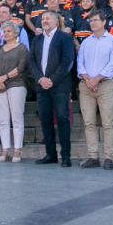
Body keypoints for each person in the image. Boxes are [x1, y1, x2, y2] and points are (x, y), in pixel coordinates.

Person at [30, 9, 75, 166]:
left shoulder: (64, 38)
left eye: (48, 18)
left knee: (62, 119)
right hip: (41, 86)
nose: (45, 21)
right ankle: (51, 154)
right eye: (43, 19)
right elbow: (32, 62)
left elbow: (67, 61)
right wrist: (41, 79)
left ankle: (66, 156)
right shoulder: (37, 40)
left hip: (60, 86)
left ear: (56, 21)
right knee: (45, 120)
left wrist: (52, 80)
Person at [76, 9, 113, 169]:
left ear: (104, 22)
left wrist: (97, 79)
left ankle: (109, 157)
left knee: (107, 122)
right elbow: (80, 63)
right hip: (86, 86)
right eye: (91, 20)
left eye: (95, 20)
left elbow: (112, 64)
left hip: (105, 85)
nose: (92, 23)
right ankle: (93, 156)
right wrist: (87, 79)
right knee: (89, 123)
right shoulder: (86, 42)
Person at [0, 19, 29, 163]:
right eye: (4, 31)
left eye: (9, 31)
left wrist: (4, 78)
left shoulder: (22, 48)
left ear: (15, 33)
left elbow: (21, 67)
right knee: (3, 120)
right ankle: (5, 149)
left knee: (17, 118)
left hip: (16, 84)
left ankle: (17, 150)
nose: (6, 34)